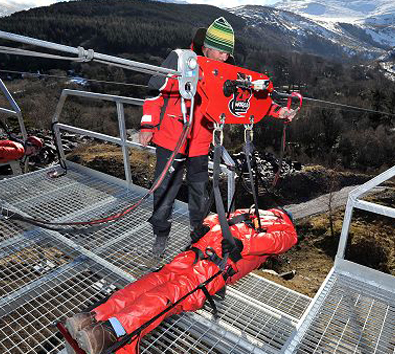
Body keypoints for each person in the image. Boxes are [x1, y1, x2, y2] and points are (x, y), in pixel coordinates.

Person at [139, 17, 298, 258]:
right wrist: (148, 125)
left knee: (200, 192)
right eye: (221, 52)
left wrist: (281, 111)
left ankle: (197, 237)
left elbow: (251, 99)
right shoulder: (181, 58)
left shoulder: (225, 72)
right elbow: (155, 92)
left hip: (201, 143)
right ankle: (161, 233)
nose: (225, 58)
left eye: (228, 54)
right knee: (163, 191)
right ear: (207, 46)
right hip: (171, 137)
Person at [64, 208, 297, 354]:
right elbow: (281, 241)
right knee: (170, 296)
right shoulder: (285, 227)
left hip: (196, 252)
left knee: (153, 282)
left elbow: (219, 217)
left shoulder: (253, 211)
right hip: (215, 265)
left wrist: (204, 227)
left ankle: (92, 318)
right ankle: (111, 331)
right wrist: (246, 246)